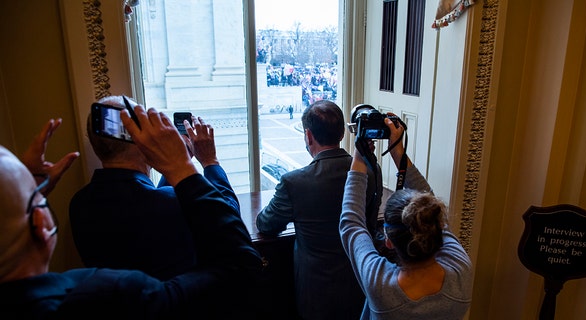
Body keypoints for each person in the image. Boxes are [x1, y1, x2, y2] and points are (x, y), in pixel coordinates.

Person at [0, 106, 263, 319]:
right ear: (41, 222)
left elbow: (155, 198)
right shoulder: (124, 291)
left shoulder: (80, 202)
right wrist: (202, 163)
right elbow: (238, 256)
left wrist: (29, 191)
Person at [69, 95, 234, 281]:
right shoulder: (170, 204)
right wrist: (210, 161)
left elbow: (147, 200)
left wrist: (180, 163)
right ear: (141, 142)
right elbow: (228, 218)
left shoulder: (79, 203)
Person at [256, 100, 382, 320]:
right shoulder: (369, 172)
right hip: (359, 280)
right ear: (342, 133)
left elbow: (266, 224)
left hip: (315, 290)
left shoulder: (294, 182)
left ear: (308, 135)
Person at [340, 115, 473, 319]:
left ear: (389, 242)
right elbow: (351, 224)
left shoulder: (381, 285)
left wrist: (360, 156)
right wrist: (398, 151)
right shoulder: (460, 270)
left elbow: (352, 225)